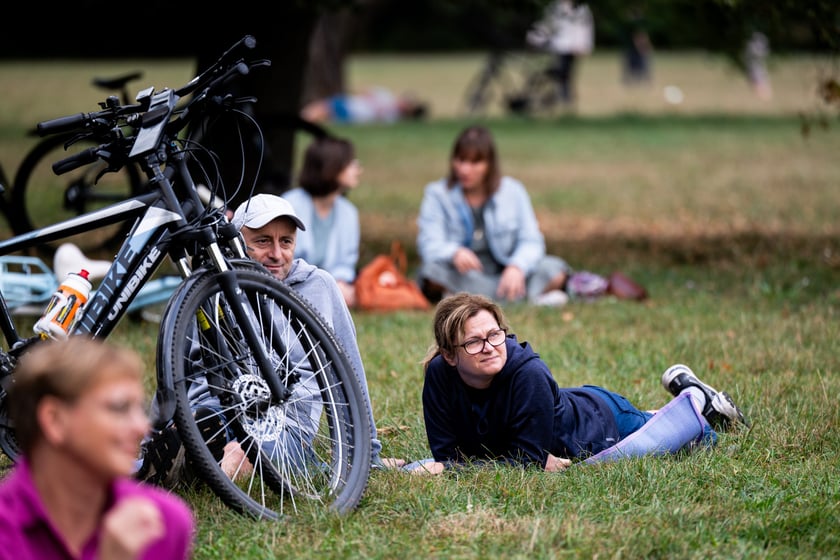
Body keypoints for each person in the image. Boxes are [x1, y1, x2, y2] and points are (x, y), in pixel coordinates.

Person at [137, 194, 404, 484]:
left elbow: (349, 375)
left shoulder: (319, 287)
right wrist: (153, 434)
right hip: (210, 410)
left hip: (281, 426)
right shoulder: (208, 288)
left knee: (241, 454)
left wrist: (369, 455)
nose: (277, 254)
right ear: (235, 243)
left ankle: (196, 464)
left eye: (286, 242)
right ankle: (178, 454)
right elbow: (175, 368)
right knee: (203, 425)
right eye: (263, 241)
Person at [405, 293, 749, 475]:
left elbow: (523, 465)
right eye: (474, 342)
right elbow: (446, 453)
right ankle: (696, 399)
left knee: (693, 436)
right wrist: (459, 464)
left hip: (597, 425)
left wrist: (455, 469)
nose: (491, 347)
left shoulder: (528, 374)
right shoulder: (439, 373)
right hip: (564, 410)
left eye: (495, 334)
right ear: (450, 354)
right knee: (652, 419)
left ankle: (701, 404)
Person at [0, 336, 195, 559]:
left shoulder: (163, 522)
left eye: (138, 408)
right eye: (119, 408)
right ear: (54, 420)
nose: (141, 427)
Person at [416, 125, 573, 307]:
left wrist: (517, 266)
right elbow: (428, 244)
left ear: (489, 164)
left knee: (556, 269)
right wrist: (453, 252)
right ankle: (525, 300)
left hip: (504, 273)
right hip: (462, 274)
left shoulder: (513, 191)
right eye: (460, 160)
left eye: (475, 162)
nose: (465, 170)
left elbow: (532, 241)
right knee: (431, 272)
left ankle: (464, 302)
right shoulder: (437, 194)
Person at [282, 136, 362, 308]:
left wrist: (337, 283)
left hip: (330, 287)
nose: (358, 169)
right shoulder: (290, 205)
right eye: (350, 163)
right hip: (291, 286)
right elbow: (283, 260)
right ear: (331, 167)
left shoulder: (349, 212)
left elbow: (346, 263)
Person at [525, 0, 594, 106]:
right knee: (562, 72)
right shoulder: (554, 8)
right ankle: (564, 96)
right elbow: (547, 26)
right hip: (559, 46)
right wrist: (535, 40)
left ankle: (565, 96)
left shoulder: (581, 9)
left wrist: (584, 45)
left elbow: (585, 28)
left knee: (567, 73)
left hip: (573, 47)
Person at [301, 86, 428, 125]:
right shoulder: (386, 95)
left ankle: (301, 120)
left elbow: (377, 120)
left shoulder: (392, 118)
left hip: (353, 113)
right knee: (319, 108)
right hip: (351, 103)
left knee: (322, 110)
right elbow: (366, 92)